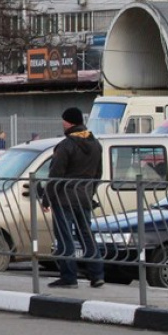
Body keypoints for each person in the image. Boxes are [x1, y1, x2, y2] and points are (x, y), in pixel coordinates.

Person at [41, 107, 104, 289]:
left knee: (65, 236)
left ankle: (69, 277)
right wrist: (89, 192)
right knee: (87, 235)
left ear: (69, 122)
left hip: (64, 199)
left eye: (64, 121)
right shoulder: (95, 144)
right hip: (84, 197)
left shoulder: (66, 145)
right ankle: (97, 275)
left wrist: (46, 199)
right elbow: (98, 173)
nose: (62, 124)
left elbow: (55, 175)